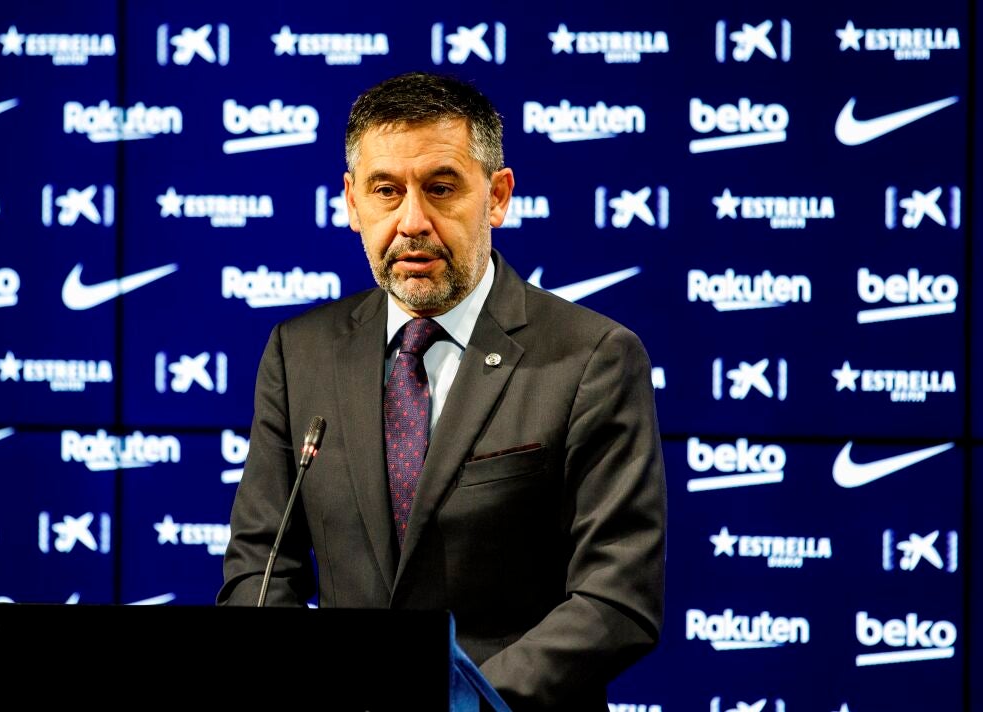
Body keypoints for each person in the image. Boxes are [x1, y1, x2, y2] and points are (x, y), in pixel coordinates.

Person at [218, 71, 666, 711]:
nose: (412, 221)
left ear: (497, 197)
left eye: (441, 188)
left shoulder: (593, 358)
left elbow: (616, 599)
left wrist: (456, 702)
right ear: (351, 202)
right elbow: (260, 569)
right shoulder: (299, 353)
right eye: (385, 191)